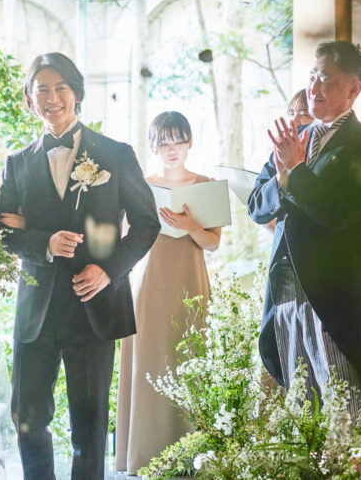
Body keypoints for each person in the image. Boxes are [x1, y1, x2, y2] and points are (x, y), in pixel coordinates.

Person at [0, 52, 160, 480]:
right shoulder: (17, 162)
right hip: (36, 309)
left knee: (88, 425)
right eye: (41, 90)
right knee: (27, 416)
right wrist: (44, 242)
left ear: (78, 94)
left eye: (59, 88)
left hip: (94, 304)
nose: (51, 98)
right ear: (30, 101)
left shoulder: (116, 154)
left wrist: (109, 270)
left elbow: (146, 224)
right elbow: (2, 231)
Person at [248, 41, 361, 418]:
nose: (313, 87)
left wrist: (294, 170)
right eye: (312, 76)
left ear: (353, 89)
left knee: (346, 409)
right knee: (302, 410)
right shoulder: (296, 138)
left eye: (325, 78)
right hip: (286, 293)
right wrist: (281, 176)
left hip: (334, 296)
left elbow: (337, 212)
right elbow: (256, 207)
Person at [115, 111, 221, 475]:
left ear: (190, 142)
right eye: (163, 142)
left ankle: (191, 452)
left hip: (190, 280)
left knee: (188, 357)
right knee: (149, 360)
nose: (170, 148)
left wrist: (190, 224)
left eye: (177, 140)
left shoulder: (206, 184)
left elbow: (213, 244)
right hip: (149, 280)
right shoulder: (140, 185)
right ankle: (145, 452)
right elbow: (125, 237)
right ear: (152, 146)